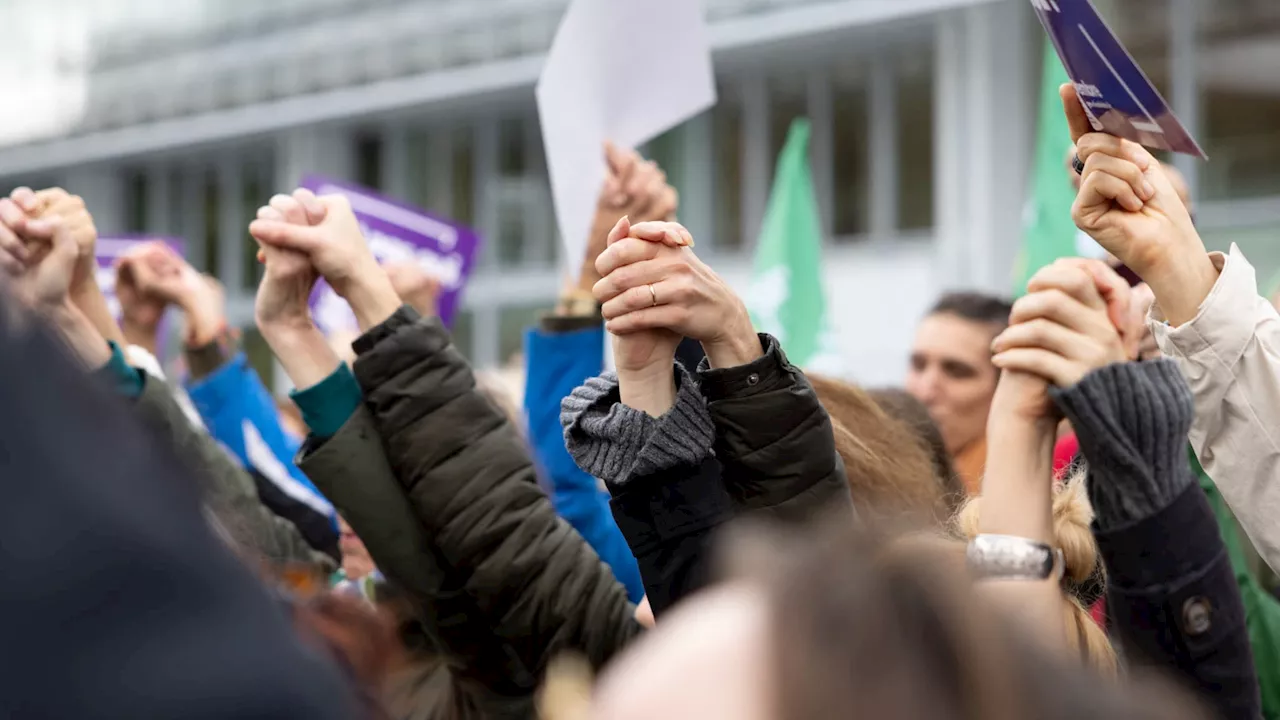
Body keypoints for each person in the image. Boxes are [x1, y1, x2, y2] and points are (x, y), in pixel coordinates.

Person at [249, 187, 642, 717]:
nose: (347, 506)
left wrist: (364, 294)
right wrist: (291, 327)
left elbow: (478, 493)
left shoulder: (497, 660)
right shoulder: (350, 622)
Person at [905, 292, 1013, 494]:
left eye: (957, 372)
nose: (926, 391)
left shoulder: (1032, 496)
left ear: (1005, 389)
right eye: (918, 365)